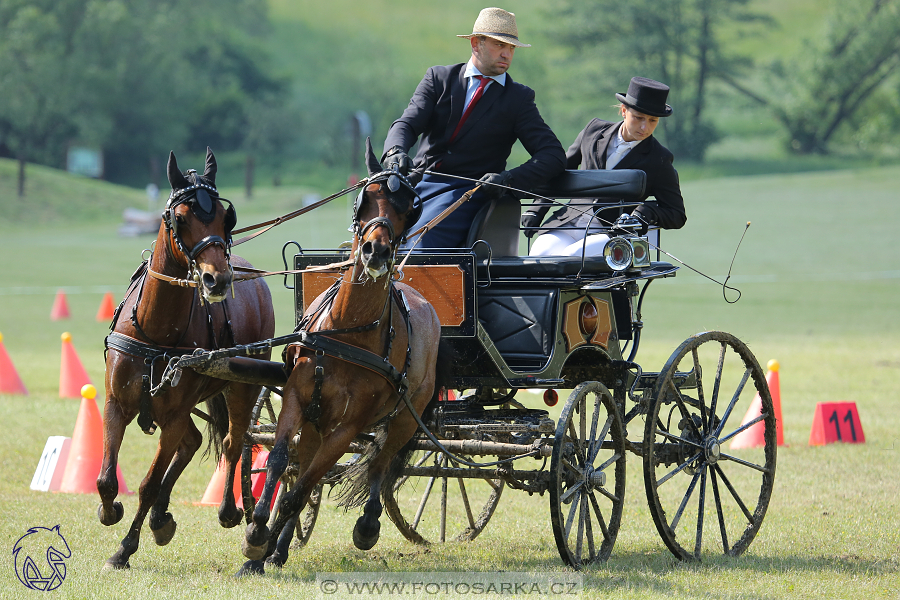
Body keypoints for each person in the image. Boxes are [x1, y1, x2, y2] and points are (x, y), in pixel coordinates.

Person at [383, 7, 566, 249]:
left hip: (468, 194)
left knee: (419, 244)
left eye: (511, 48)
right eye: (499, 44)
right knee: (372, 238)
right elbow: (407, 123)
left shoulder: (518, 98)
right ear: (475, 43)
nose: (507, 54)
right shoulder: (438, 79)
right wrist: (395, 152)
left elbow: (553, 155)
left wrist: (508, 180)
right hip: (416, 183)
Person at [524, 76, 687, 256]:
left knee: (570, 258)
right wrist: (536, 210)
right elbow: (557, 170)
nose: (644, 127)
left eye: (652, 120)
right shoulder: (592, 131)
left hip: (610, 233)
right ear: (624, 111)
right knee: (539, 256)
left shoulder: (660, 158)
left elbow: (676, 214)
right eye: (639, 118)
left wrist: (645, 212)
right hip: (568, 222)